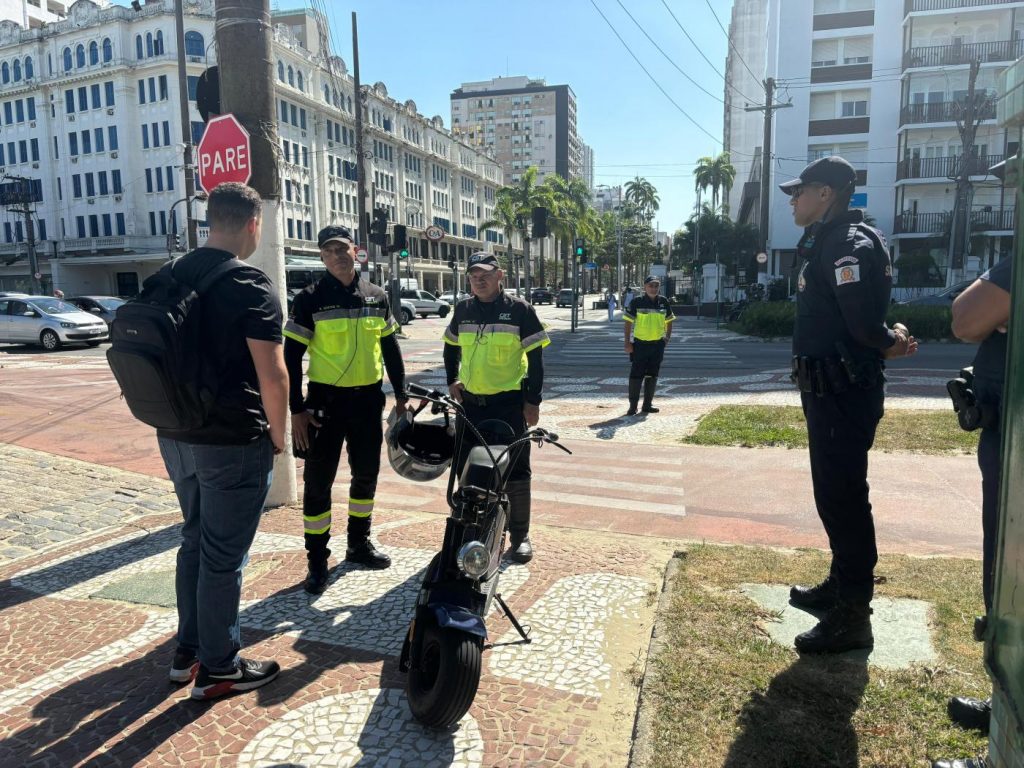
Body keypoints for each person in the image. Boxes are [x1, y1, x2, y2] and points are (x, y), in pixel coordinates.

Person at [781, 156, 918, 654]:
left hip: (844, 390)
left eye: (800, 191)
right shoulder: (828, 239)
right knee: (833, 496)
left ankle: (854, 614)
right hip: (827, 390)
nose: (793, 200)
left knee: (843, 499)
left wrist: (892, 340)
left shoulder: (850, 245)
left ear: (828, 193)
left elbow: (864, 327)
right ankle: (841, 585)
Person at [157, 182, 288, 699]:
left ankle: (185, 653)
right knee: (223, 558)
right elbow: (273, 376)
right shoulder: (249, 284)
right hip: (232, 441)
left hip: (176, 436)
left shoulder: (170, 274)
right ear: (254, 223)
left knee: (194, 540)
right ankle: (218, 666)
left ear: (211, 218)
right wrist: (279, 438)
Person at [284, 225, 408, 595]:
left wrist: (401, 396)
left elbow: (390, 349)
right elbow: (290, 357)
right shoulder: (309, 298)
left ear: (356, 250)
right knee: (318, 483)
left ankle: (358, 543)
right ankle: (317, 561)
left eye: (342, 248)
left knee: (365, 475)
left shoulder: (377, 296)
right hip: (324, 404)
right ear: (321, 257)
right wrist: (296, 410)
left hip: (368, 401)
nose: (337, 255)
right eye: (329, 250)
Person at [938, 257, 1012, 743]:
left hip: (1013, 439)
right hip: (1005, 428)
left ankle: (1010, 712)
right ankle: (1007, 702)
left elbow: (966, 319)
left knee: (1011, 570)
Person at [443, 252, 549, 563]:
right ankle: (468, 530)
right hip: (470, 407)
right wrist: (452, 380)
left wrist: (533, 402)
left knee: (516, 471)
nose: (480, 279)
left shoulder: (520, 311)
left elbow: (538, 362)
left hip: (508, 407)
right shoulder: (462, 310)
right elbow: (450, 348)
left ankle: (519, 536)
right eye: (474, 274)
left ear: (500, 275)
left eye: (486, 273)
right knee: (466, 470)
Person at [623, 275, 674, 415]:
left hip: (657, 346)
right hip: (640, 345)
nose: (654, 288)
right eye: (651, 285)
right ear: (645, 287)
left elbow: (669, 320)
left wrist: (667, 338)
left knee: (652, 375)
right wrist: (627, 343)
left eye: (656, 285)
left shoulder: (664, 302)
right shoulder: (637, 302)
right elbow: (628, 322)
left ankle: (647, 405)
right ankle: (633, 406)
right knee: (636, 376)